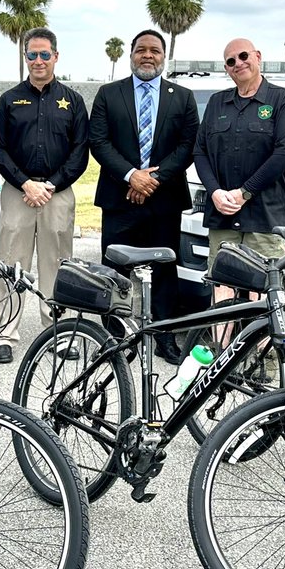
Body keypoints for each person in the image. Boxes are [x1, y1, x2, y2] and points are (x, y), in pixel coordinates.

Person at [89, 28, 198, 363]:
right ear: (131, 54)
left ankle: (164, 336)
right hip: (118, 198)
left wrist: (153, 179)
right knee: (114, 270)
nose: (147, 55)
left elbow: (187, 145)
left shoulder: (182, 96)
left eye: (154, 50)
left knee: (165, 270)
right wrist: (131, 176)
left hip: (164, 200)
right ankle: (116, 339)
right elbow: (99, 141)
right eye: (141, 50)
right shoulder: (109, 94)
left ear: (164, 57)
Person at [0, 27, 89, 363]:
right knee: (11, 263)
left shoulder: (73, 101)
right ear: (25, 58)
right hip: (18, 192)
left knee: (57, 264)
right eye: (31, 54)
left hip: (56, 193)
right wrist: (25, 183)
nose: (38, 60)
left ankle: (59, 332)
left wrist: (51, 185)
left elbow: (80, 151)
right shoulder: (9, 100)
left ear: (56, 56)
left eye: (44, 54)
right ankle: (5, 334)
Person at [193, 38, 285, 298]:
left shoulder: (282, 100)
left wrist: (244, 193)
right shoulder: (216, 103)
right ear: (226, 68)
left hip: (264, 218)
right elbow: (200, 152)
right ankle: (222, 342)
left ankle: (260, 342)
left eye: (243, 56)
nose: (238, 63)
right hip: (222, 213)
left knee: (264, 294)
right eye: (231, 61)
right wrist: (215, 192)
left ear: (257, 56)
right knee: (221, 289)